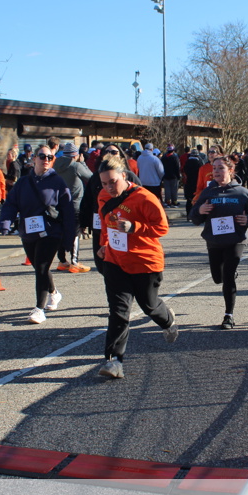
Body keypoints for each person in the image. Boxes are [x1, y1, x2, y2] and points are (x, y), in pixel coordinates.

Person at [95, 155, 178, 378]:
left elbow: (162, 228)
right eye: (104, 183)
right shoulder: (103, 196)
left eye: (113, 182)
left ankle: (167, 320)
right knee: (119, 312)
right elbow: (105, 223)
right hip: (115, 261)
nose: (109, 188)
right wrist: (103, 244)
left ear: (124, 176)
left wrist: (134, 227)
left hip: (145, 262)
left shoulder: (144, 197)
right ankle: (114, 361)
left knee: (149, 305)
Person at [1, 145, 77, 323]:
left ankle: (39, 309)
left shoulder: (57, 182)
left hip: (51, 231)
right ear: (34, 158)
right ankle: (54, 293)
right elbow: (11, 203)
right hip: (29, 232)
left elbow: (68, 211)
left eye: (50, 157)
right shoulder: (23, 183)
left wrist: (69, 238)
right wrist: (5, 223)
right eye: (42, 156)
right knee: (39, 267)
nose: (46, 160)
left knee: (42, 267)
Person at [189, 155, 248, 329]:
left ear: (230, 170)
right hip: (214, 240)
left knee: (228, 276)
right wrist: (200, 210)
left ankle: (228, 316)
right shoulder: (208, 192)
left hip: (235, 240)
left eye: (220, 168)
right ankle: (227, 275)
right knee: (218, 278)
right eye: (214, 168)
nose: (216, 171)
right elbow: (194, 217)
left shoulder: (242, 193)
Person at [80, 145, 141, 273]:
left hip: (124, 226)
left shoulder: (129, 176)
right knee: (102, 262)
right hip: (100, 226)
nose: (110, 154)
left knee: (122, 262)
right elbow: (87, 201)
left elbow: (141, 200)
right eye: (106, 152)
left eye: (114, 152)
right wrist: (83, 222)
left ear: (121, 155)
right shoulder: (95, 177)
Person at [53, 141, 93, 273]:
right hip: (75, 204)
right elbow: (91, 177)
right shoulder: (76, 166)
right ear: (75, 155)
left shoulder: (56, 164)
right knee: (75, 233)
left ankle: (62, 261)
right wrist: (83, 163)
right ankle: (74, 262)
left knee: (62, 232)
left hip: (60, 203)